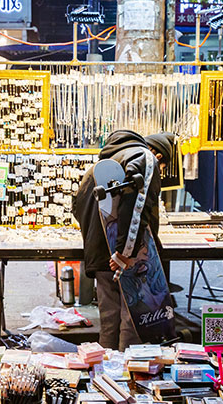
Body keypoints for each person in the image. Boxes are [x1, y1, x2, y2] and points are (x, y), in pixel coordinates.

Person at [74, 130, 175, 352]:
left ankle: (105, 378)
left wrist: (100, 243)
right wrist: (124, 252)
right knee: (133, 324)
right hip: (125, 258)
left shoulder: (99, 166)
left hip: (100, 255)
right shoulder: (144, 157)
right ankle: (129, 380)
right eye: (163, 167)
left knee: (109, 322)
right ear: (159, 156)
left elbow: (77, 206)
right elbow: (137, 204)